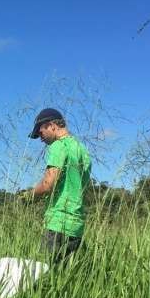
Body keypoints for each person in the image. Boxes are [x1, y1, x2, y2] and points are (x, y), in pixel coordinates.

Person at [26, 108, 92, 264]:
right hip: (76, 225)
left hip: (57, 223)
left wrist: (29, 195)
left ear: (51, 126)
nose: (40, 139)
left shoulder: (57, 146)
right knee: (66, 275)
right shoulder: (82, 149)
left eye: (41, 132)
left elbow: (48, 184)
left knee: (44, 274)